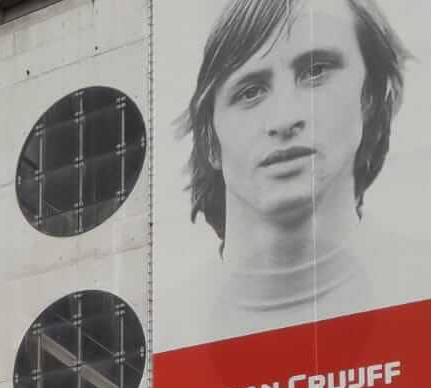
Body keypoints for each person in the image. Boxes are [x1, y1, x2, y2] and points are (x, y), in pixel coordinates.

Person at [178, 0, 418, 342]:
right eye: (250, 92)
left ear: (370, 98)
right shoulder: (168, 331)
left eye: (316, 71)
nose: (284, 119)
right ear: (210, 140)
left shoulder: (427, 287)